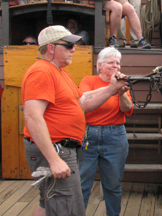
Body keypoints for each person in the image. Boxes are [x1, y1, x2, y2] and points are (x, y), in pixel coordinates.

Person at [22, 25, 128, 216]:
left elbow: (81, 104)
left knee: (48, 202)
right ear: (51, 48)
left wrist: (112, 89)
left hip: (63, 147)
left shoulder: (60, 73)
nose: (74, 49)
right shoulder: (42, 72)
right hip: (56, 149)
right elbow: (32, 116)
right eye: (69, 45)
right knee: (67, 206)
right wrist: (54, 160)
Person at [78, 46, 133, 216]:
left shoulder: (122, 83)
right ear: (100, 65)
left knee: (113, 185)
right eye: (111, 62)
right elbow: (83, 102)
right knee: (82, 184)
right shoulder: (88, 80)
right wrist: (110, 89)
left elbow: (127, 109)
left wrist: (122, 92)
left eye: (118, 63)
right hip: (89, 135)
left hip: (114, 136)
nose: (115, 65)